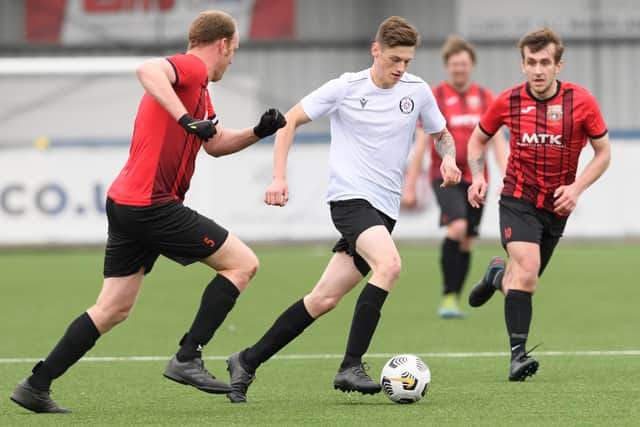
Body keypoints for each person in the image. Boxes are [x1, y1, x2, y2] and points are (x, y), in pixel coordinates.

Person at [10, 10, 286, 414]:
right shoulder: (190, 68)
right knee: (242, 264)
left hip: (126, 202)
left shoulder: (200, 89)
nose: (232, 60)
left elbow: (214, 142)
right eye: (234, 52)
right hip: (150, 203)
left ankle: (36, 384)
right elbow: (147, 69)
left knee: (113, 308)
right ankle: (188, 357)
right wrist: (186, 119)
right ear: (222, 44)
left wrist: (258, 132)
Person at [224, 16, 461, 403]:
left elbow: (441, 134)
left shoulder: (417, 92)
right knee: (390, 266)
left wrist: (448, 159)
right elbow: (288, 122)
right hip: (350, 200)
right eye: (394, 59)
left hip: (383, 210)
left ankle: (246, 361)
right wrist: (278, 178)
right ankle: (351, 364)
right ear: (376, 50)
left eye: (407, 61)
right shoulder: (345, 87)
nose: (401, 68)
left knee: (322, 299)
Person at [466, 27, 610, 381]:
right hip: (518, 198)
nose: (538, 70)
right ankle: (517, 357)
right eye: (531, 62)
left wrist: (576, 188)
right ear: (523, 65)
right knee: (527, 270)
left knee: (521, 281)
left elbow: (603, 154)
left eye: (545, 62)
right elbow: (477, 140)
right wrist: (478, 175)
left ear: (559, 66)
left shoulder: (582, 102)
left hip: (557, 207)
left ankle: (495, 276)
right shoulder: (508, 101)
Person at [402, 35, 507, 319]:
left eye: (463, 64)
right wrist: (410, 185)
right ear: (447, 66)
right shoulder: (435, 97)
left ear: (471, 65)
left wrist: (509, 176)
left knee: (467, 239)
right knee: (457, 227)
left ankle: (453, 300)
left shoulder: (486, 98)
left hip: (478, 178)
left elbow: (497, 142)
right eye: (454, 64)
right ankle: (448, 295)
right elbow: (422, 142)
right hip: (444, 176)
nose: (459, 69)